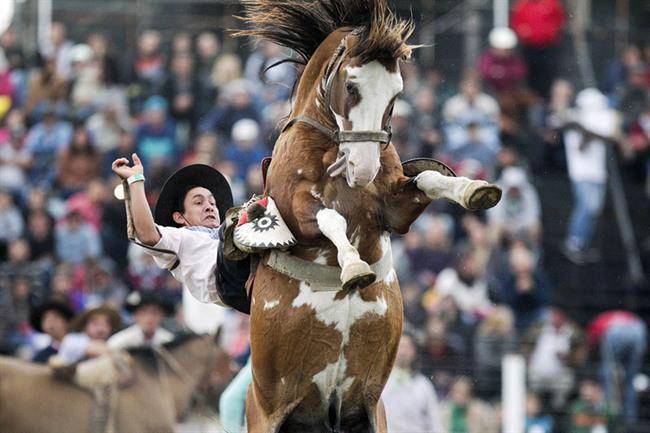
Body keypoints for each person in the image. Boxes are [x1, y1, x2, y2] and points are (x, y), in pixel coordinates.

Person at [110, 154, 255, 314]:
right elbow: (147, 235)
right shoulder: (181, 237)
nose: (209, 207)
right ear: (179, 217)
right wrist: (135, 180)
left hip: (252, 275)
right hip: (227, 280)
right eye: (199, 202)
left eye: (213, 203)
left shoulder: (225, 230)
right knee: (244, 219)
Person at [562, 88, 621, 264]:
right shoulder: (574, 122)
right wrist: (588, 131)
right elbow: (581, 146)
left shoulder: (593, 122)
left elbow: (611, 134)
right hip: (581, 173)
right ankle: (573, 242)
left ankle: (583, 244)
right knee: (586, 207)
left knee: (594, 210)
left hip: (598, 173)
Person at [587, 310, 647, 424]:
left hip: (617, 332)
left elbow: (592, 343)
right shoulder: (616, 315)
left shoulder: (597, 322)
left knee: (608, 374)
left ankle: (610, 415)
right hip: (639, 329)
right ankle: (631, 419)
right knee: (631, 379)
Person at [382, 333, 444, 433]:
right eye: (400, 347)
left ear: (414, 351)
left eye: (407, 347)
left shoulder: (424, 385)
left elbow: (435, 422)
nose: (403, 352)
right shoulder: (380, 383)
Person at [55, 305, 121, 364]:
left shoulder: (111, 342)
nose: (101, 329)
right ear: (84, 325)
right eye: (95, 324)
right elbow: (94, 349)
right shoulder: (72, 339)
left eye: (106, 324)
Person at [107, 291, 174, 349]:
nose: (149, 318)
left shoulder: (169, 341)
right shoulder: (120, 342)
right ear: (135, 316)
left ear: (162, 316)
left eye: (155, 313)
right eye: (143, 313)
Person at [30, 298, 74, 363]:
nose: (50, 321)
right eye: (45, 318)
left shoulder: (78, 343)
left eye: (55, 317)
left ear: (66, 321)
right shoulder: (40, 356)